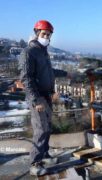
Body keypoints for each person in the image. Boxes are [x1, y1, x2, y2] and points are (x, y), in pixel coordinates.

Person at [19, 20, 69, 176]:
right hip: (38, 98)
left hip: (47, 96)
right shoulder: (28, 52)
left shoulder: (42, 51)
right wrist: (36, 100)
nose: (46, 37)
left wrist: (66, 73)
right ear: (36, 33)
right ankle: (35, 163)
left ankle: (45, 155)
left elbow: (49, 71)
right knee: (41, 130)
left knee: (47, 127)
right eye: (43, 34)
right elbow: (27, 78)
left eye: (48, 34)